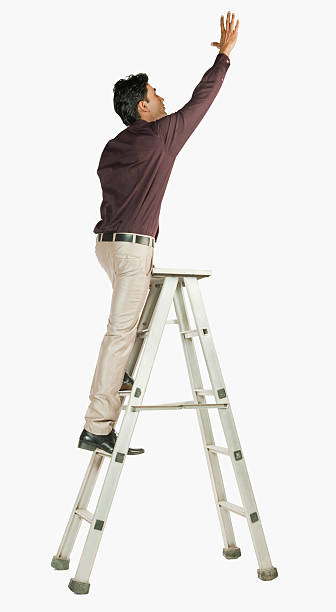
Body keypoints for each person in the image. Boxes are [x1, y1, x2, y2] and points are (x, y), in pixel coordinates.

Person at [78, 11, 239, 455]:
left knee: (133, 321)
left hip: (108, 248)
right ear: (143, 108)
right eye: (154, 92)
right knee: (119, 333)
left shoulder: (114, 146)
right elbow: (199, 103)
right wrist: (223, 57)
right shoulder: (159, 137)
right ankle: (97, 424)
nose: (161, 96)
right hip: (132, 250)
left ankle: (124, 374)